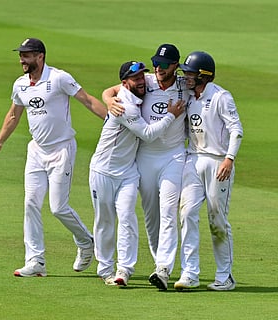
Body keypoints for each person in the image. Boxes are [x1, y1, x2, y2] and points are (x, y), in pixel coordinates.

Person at [0, 38, 107, 277]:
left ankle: (86, 242)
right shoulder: (20, 84)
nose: (22, 59)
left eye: (27, 55)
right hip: (36, 151)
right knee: (30, 203)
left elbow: (88, 100)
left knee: (58, 207)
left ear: (40, 56)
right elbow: (13, 115)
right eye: (21, 55)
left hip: (62, 149)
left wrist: (114, 122)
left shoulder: (59, 78)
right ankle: (36, 261)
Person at [102, 44, 190, 291]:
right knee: (151, 215)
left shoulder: (184, 86)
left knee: (169, 210)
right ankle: (158, 262)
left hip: (173, 156)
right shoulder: (146, 81)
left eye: (164, 65)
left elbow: (207, 90)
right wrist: (109, 101)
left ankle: (163, 268)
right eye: (156, 64)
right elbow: (110, 90)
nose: (158, 69)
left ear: (175, 66)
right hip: (145, 156)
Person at [174, 51, 243, 291]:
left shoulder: (221, 97)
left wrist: (229, 159)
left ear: (204, 75)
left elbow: (236, 129)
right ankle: (190, 273)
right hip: (193, 160)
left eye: (190, 73)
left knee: (217, 220)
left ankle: (225, 276)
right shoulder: (189, 97)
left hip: (217, 162)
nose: (186, 77)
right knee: (187, 214)